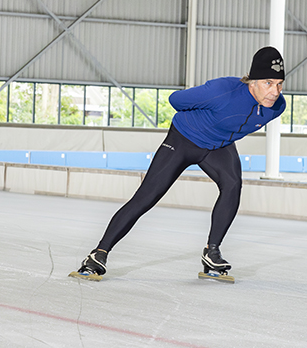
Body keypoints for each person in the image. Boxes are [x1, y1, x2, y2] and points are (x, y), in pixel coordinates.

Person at [71, 46, 287, 281]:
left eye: (279, 83)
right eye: (268, 83)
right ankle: (97, 254)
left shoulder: (277, 107)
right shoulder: (222, 90)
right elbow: (176, 100)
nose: (275, 91)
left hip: (216, 147)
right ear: (252, 81)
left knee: (233, 184)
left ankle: (212, 253)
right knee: (146, 198)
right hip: (184, 139)